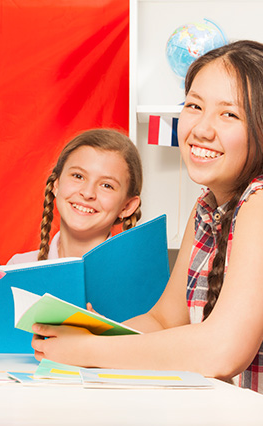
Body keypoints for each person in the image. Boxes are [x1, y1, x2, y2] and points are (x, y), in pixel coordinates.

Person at [31, 40, 263, 393]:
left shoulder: (259, 204)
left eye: (228, 114)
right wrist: (89, 331)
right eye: (194, 106)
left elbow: (223, 351)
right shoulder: (205, 210)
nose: (201, 129)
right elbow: (164, 319)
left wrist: (90, 349)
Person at [7, 128, 142, 264]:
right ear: (56, 184)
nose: (88, 193)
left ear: (127, 206)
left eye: (106, 185)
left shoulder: (143, 279)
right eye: (78, 176)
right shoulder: (17, 267)